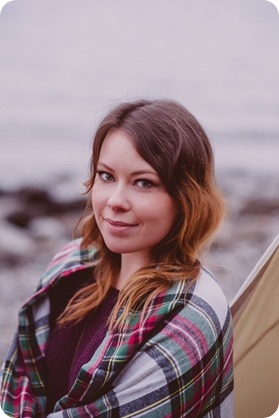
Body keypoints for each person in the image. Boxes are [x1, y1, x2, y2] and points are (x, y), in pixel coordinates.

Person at [0, 99, 234, 417]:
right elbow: (19, 378)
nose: (115, 201)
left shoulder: (193, 315)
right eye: (106, 176)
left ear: (185, 198)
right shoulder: (73, 263)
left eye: (143, 182)